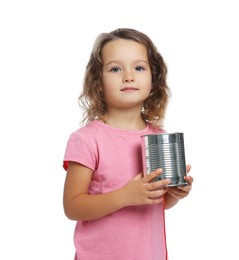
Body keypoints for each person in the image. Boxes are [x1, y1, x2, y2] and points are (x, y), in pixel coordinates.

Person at [62, 28, 193, 260]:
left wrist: (175, 193)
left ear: (154, 78)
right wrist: (124, 196)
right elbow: (72, 207)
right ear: (98, 82)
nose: (128, 76)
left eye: (139, 67)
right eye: (115, 68)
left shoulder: (160, 137)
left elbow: (157, 203)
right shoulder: (87, 139)